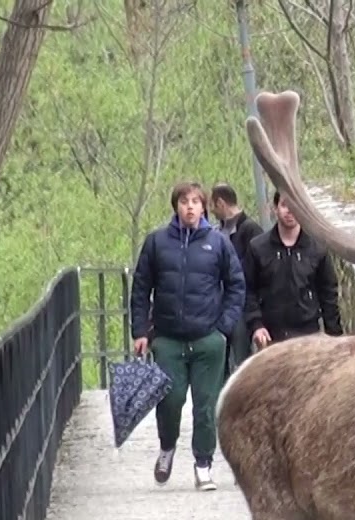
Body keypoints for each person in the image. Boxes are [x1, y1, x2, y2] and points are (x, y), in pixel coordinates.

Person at [130, 181, 245, 491]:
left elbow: (236, 285)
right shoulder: (157, 243)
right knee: (170, 399)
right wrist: (140, 331)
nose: (190, 207)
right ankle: (167, 447)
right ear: (176, 206)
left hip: (208, 338)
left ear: (204, 207)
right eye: (184, 201)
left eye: (195, 201)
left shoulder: (218, 243)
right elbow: (141, 288)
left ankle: (203, 465)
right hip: (168, 337)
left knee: (206, 406)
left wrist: (223, 328)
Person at [243, 191, 343, 349]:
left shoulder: (317, 249)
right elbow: (248, 290)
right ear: (275, 208)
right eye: (284, 205)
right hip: (271, 338)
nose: (290, 211)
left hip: (309, 337)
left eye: (294, 206)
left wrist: (334, 337)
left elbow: (328, 293)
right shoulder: (257, 248)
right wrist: (256, 325)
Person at [208, 183, 266, 374]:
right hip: (220, 305)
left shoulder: (251, 230)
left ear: (221, 203)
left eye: (213, 205)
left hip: (241, 305)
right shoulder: (218, 232)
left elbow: (257, 269)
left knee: (242, 359)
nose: (212, 211)